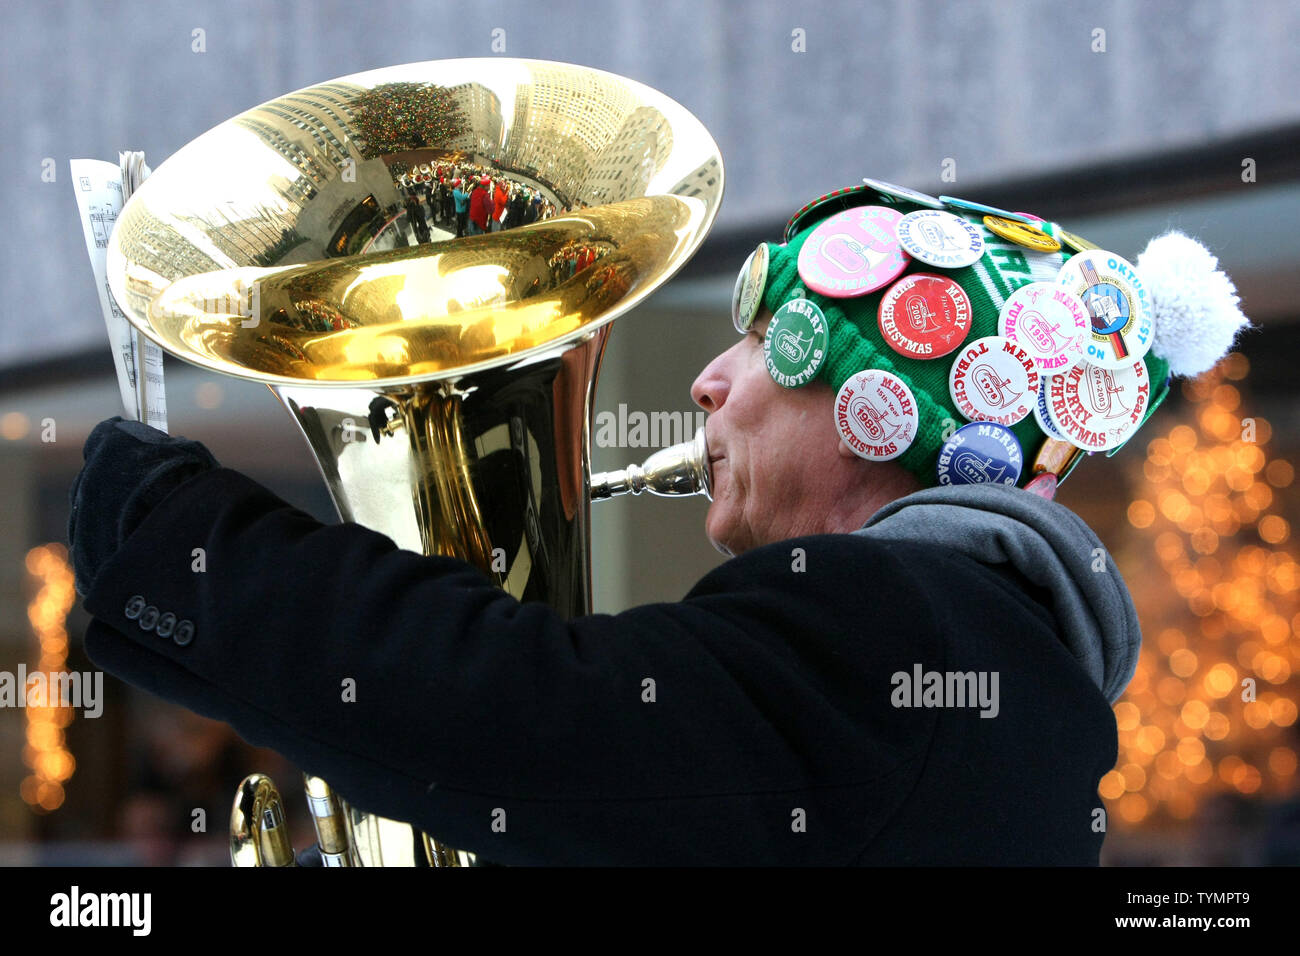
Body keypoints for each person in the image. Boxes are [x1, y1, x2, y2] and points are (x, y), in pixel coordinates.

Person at [67, 181, 1248, 866]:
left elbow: (528, 716)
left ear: (880, 411)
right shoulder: (1001, 662)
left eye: (765, 341)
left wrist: (172, 534)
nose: (707, 383)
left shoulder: (906, 626)